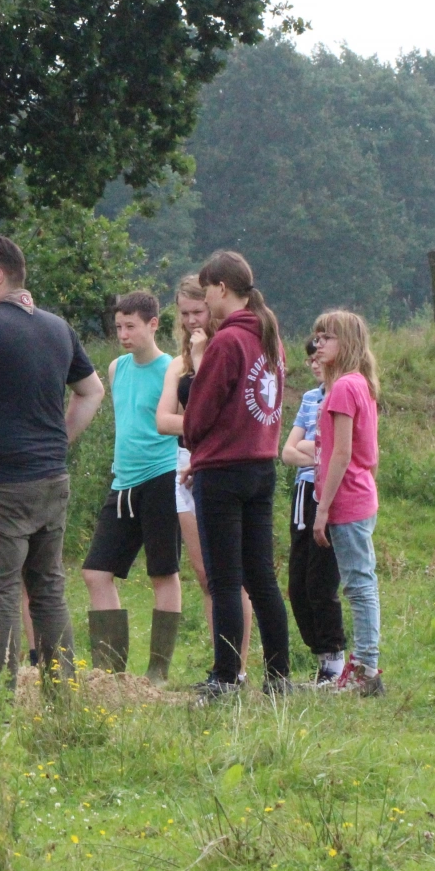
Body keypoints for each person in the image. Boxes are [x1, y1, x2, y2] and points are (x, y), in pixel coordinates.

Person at [0, 235, 104, 687]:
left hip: (0, 485)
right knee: (48, 590)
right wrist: (59, 441)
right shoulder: (57, 327)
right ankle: (63, 697)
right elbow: (92, 391)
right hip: (52, 480)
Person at [182, 250, 292, 700]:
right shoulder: (270, 337)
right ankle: (279, 677)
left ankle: (226, 677)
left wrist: (198, 446)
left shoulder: (227, 342)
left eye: (207, 292)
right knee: (262, 577)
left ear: (222, 289)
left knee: (225, 579)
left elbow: (200, 414)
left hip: (223, 475)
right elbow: (264, 408)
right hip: (260, 466)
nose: (205, 302)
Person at [156, 277, 253, 682]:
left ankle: (239, 667)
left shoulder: (227, 350)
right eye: (185, 314)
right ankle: (221, 661)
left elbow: (235, 419)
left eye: (199, 312)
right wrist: (199, 425)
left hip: (220, 463)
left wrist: (200, 427)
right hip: (183, 462)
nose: (193, 321)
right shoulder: (180, 363)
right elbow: (163, 420)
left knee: (231, 574)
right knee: (204, 575)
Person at [80, 291, 181, 675]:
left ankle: (158, 671)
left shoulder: (173, 368)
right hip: (122, 483)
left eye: (131, 326)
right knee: (95, 572)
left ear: (153, 324)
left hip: (162, 476)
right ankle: (111, 671)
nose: (123, 333)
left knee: (162, 572)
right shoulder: (116, 368)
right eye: (119, 326)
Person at [310, 310, 384, 696]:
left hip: (347, 498)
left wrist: (322, 507)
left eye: (327, 338)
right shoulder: (358, 384)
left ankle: (365, 667)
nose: (318, 345)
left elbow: (341, 453)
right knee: (358, 582)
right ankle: (363, 665)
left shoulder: (342, 388)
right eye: (317, 338)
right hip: (359, 492)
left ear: (347, 343)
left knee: (358, 584)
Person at [281, 342, 346, 685]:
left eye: (319, 355)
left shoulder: (345, 392)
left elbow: (338, 451)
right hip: (303, 492)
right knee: (298, 581)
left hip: (329, 489)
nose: (315, 363)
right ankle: (321, 658)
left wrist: (311, 448)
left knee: (321, 580)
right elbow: (287, 452)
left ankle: (335, 659)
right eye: (310, 358)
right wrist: (314, 449)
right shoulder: (309, 398)